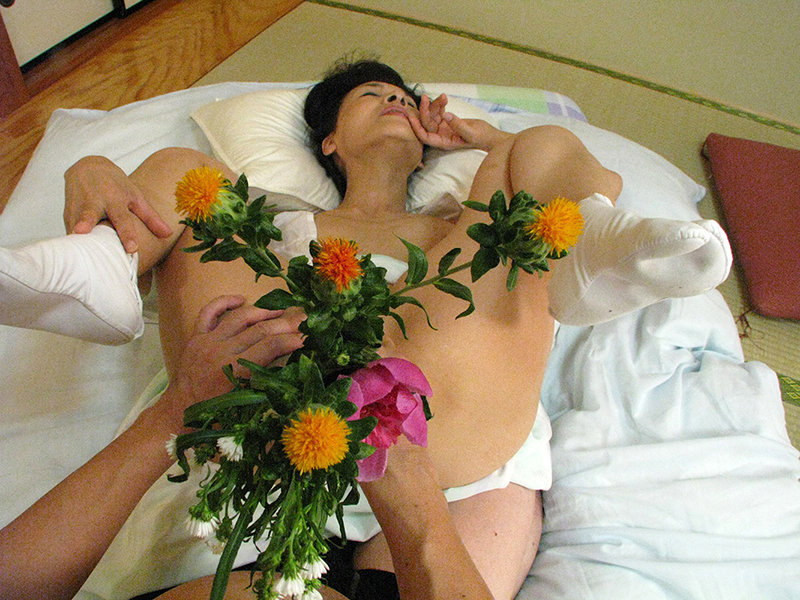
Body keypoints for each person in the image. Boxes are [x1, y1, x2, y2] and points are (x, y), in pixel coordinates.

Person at [0, 59, 732, 599]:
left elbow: (536, 170)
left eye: (405, 99)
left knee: (535, 148)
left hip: (433, 431)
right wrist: (96, 166)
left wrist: (485, 139)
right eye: (371, 96)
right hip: (268, 415)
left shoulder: (465, 220)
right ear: (328, 142)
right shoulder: (269, 216)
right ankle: (106, 262)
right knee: (186, 170)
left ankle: (585, 242)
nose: (396, 102)